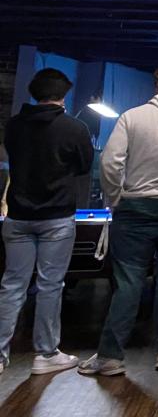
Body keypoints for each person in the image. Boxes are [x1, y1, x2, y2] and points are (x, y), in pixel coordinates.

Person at [79, 64, 158, 377]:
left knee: (129, 281)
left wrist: (115, 197)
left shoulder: (132, 117)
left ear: (156, 85)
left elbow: (110, 163)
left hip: (136, 208)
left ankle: (110, 356)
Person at [0, 68, 93, 376]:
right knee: (50, 285)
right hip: (56, 217)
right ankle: (46, 354)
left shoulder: (13, 126)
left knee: (12, 286)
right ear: (63, 95)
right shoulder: (74, 128)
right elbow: (84, 166)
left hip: (17, 217)